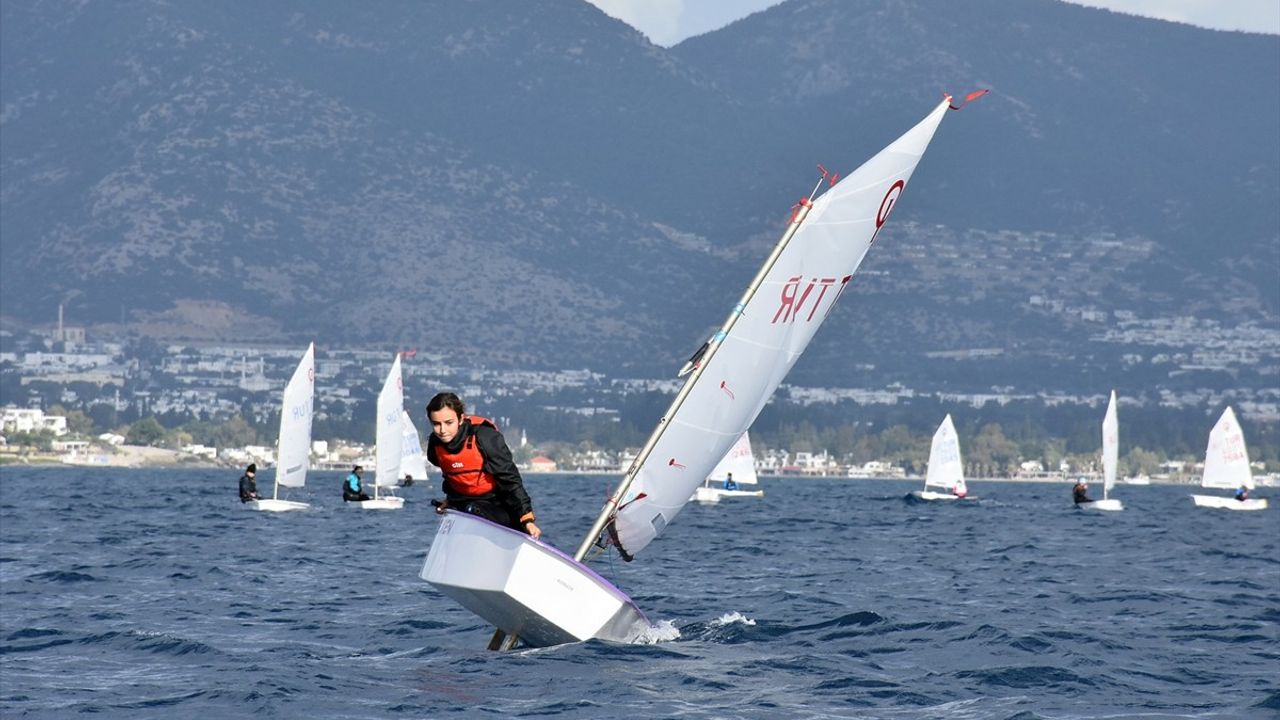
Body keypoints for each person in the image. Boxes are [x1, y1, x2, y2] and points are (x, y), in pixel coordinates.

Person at [426, 392, 541, 540]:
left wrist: (527, 519)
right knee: (467, 508)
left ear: (461, 419)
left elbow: (510, 480)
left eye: (449, 423)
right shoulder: (435, 445)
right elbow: (453, 475)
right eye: (436, 424)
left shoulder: (485, 437)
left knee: (473, 509)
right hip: (465, 504)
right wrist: (450, 501)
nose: (442, 430)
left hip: (498, 507)